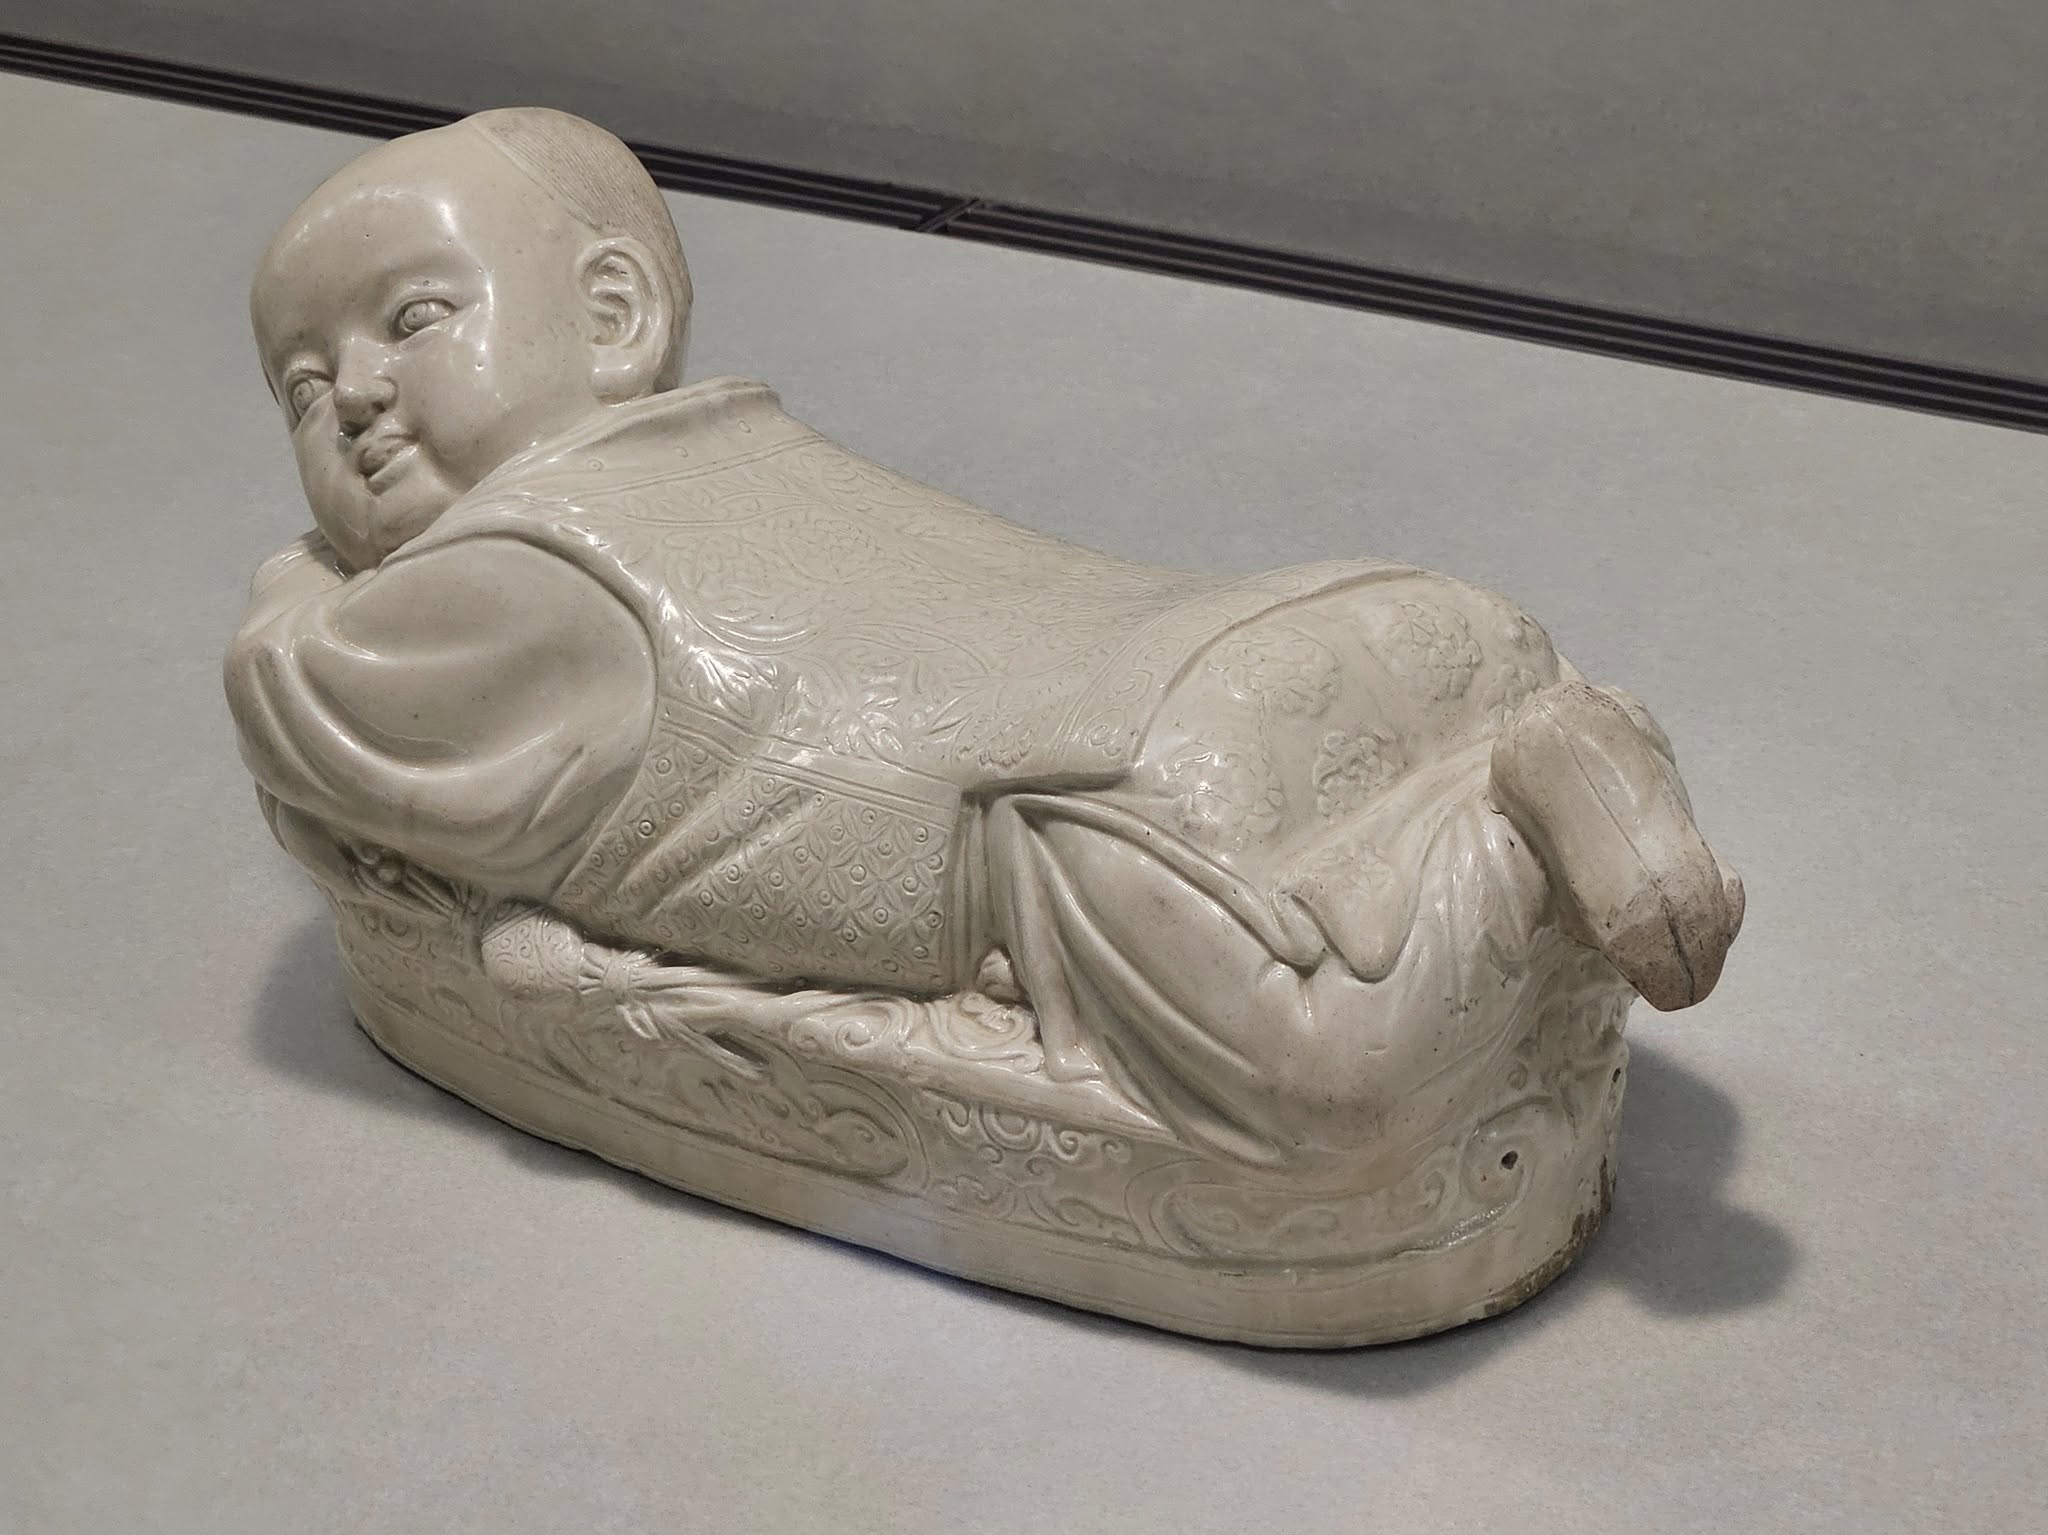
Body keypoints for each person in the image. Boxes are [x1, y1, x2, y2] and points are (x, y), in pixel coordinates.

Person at [227, 109, 1741, 1168]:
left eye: (410, 322)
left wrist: (291, 589)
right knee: (1355, 847)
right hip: (1347, 628)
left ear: (614, 315)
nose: (351, 395)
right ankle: (1547, 750)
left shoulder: (512, 574)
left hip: (1111, 813)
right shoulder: (739, 452)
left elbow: (297, 701)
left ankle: (1511, 843)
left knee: (1322, 1090)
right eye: (301, 384)